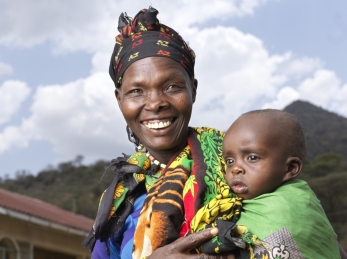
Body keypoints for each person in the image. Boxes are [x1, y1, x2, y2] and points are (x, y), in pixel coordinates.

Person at [83, 6, 235, 259]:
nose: (155, 103)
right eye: (136, 91)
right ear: (119, 100)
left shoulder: (243, 167)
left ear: (193, 90)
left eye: (172, 86)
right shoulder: (119, 199)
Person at [191, 109, 341, 258]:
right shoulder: (238, 205)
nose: (236, 168)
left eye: (252, 158)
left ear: (290, 168)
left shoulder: (292, 205)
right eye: (229, 161)